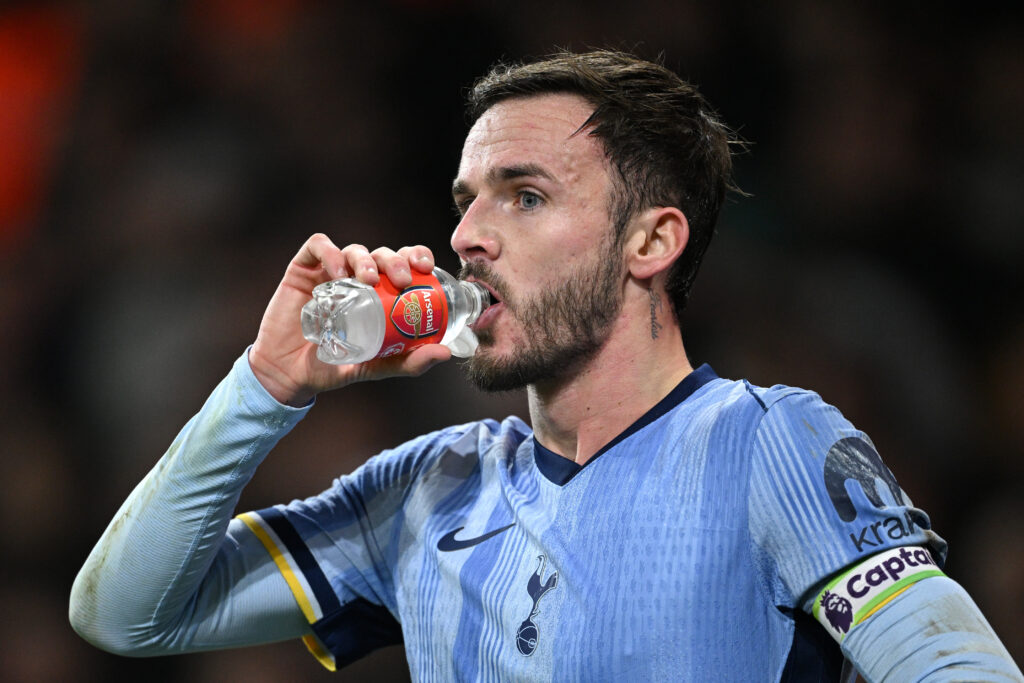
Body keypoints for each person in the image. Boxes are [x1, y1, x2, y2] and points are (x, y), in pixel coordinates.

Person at [69, 50, 1022, 682]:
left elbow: (956, 667)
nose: (467, 235)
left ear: (651, 241)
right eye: (466, 199)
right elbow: (125, 614)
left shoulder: (769, 442)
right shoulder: (426, 488)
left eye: (524, 196)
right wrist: (265, 385)